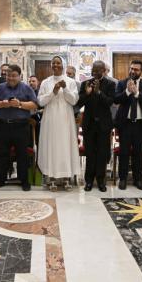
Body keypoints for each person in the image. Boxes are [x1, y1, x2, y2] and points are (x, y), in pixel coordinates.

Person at [0, 65, 38, 191]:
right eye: (8, 75)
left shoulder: (26, 88)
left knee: (22, 155)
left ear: (20, 76)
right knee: (2, 154)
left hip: (21, 126)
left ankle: (24, 181)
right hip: (3, 125)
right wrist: (2, 104)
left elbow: (34, 104)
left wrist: (19, 104)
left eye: (14, 75)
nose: (11, 78)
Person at [38, 56, 80, 191]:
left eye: (58, 63)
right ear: (51, 65)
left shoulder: (71, 81)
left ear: (63, 65)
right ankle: (51, 178)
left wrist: (65, 89)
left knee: (65, 146)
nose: (56, 65)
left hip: (65, 119)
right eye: (53, 63)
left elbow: (73, 101)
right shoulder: (45, 82)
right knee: (52, 146)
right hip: (50, 119)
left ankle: (67, 178)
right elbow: (41, 101)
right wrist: (53, 92)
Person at [114, 60, 142, 190]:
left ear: (141, 71)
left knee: (139, 153)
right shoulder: (121, 83)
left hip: (140, 125)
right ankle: (123, 178)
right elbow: (116, 99)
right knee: (124, 152)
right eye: (131, 68)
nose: (133, 71)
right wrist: (127, 91)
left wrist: (137, 93)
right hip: (125, 124)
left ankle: (138, 179)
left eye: (136, 69)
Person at [77, 60, 116, 192]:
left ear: (104, 71)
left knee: (102, 154)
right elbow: (79, 102)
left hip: (104, 125)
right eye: (93, 69)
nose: (95, 72)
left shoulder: (110, 84)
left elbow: (110, 102)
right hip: (89, 124)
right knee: (90, 153)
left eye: (98, 69)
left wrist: (99, 92)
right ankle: (88, 181)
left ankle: (101, 181)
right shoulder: (85, 83)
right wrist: (87, 93)